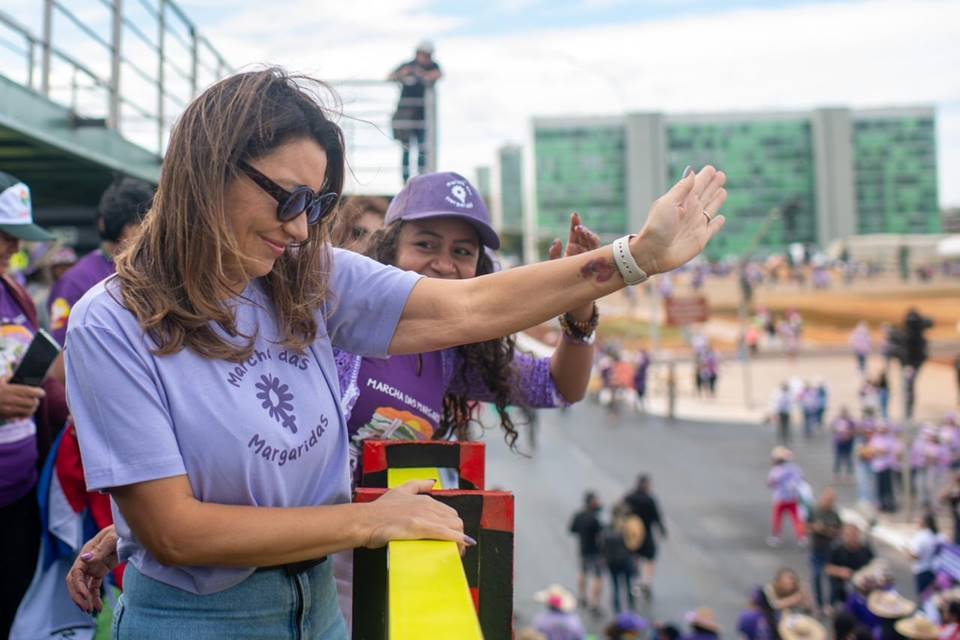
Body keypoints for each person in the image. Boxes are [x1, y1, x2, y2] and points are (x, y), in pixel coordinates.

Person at [63, 68, 729, 636]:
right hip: (207, 617)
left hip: (318, 598)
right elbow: (178, 533)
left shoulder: (302, 277)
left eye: (315, 205)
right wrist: (368, 519)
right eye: (287, 197)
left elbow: (471, 310)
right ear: (207, 170)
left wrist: (632, 259)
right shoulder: (112, 323)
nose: (299, 227)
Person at [0, 170, 70, 638]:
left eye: (16, 238)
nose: (12, 248)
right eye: (4, 235)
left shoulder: (14, 291)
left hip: (19, 494)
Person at [48, 176, 153, 347]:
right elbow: (63, 351)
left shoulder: (149, 270)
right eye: (147, 223)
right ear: (130, 229)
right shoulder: (75, 282)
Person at [389, 42, 441, 182]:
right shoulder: (407, 65)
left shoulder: (432, 66)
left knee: (422, 149)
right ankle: (405, 179)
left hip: (422, 117)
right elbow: (389, 77)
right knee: (406, 149)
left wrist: (422, 75)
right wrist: (402, 74)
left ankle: (421, 178)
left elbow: (437, 75)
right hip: (405, 115)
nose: (425, 58)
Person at [624, 474, 667, 601]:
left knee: (634, 557)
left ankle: (635, 580)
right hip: (646, 533)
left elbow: (621, 514)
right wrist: (662, 530)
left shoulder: (629, 497)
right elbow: (657, 517)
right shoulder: (649, 499)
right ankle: (647, 582)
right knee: (650, 559)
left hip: (632, 535)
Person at [807, 488, 842, 613]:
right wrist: (814, 528)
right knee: (816, 576)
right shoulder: (814, 511)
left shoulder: (834, 515)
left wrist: (827, 530)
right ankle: (819, 604)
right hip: (816, 549)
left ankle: (830, 603)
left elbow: (839, 532)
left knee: (832, 577)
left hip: (830, 550)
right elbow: (806, 527)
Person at [602, 503, 641, 614]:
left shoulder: (607, 527)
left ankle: (617, 610)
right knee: (628, 584)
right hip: (625, 559)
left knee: (615, 586)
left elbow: (603, 545)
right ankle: (631, 608)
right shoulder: (627, 526)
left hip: (612, 561)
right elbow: (633, 543)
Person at [570, 491, 604, 614]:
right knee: (598, 576)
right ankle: (594, 603)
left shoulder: (579, 515)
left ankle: (582, 596)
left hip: (583, 549)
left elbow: (572, 529)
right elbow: (601, 535)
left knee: (583, 572)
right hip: (596, 551)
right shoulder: (594, 518)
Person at [767, 447, 807, 547]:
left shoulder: (776, 470)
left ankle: (775, 537)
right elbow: (801, 479)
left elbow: (770, 483)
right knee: (797, 518)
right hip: (793, 498)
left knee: (777, 518)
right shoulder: (795, 468)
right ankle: (801, 537)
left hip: (780, 499)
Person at [826, 524, 875, 605]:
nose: (852, 538)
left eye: (854, 535)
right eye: (848, 535)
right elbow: (828, 569)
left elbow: (874, 564)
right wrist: (840, 571)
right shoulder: (837, 549)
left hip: (863, 588)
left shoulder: (865, 549)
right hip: (842, 589)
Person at [908, 512, 948, 598]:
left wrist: (907, 552)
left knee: (925, 598)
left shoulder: (920, 537)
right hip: (937, 572)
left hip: (922, 571)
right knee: (935, 597)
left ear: (923, 523)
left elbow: (915, 556)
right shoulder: (941, 537)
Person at [832, 407, 857, 482]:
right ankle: (836, 473)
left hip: (848, 442)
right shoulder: (837, 421)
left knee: (848, 458)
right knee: (838, 458)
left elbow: (854, 431)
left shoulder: (850, 421)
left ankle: (848, 474)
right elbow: (833, 429)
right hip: (839, 442)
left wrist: (848, 434)